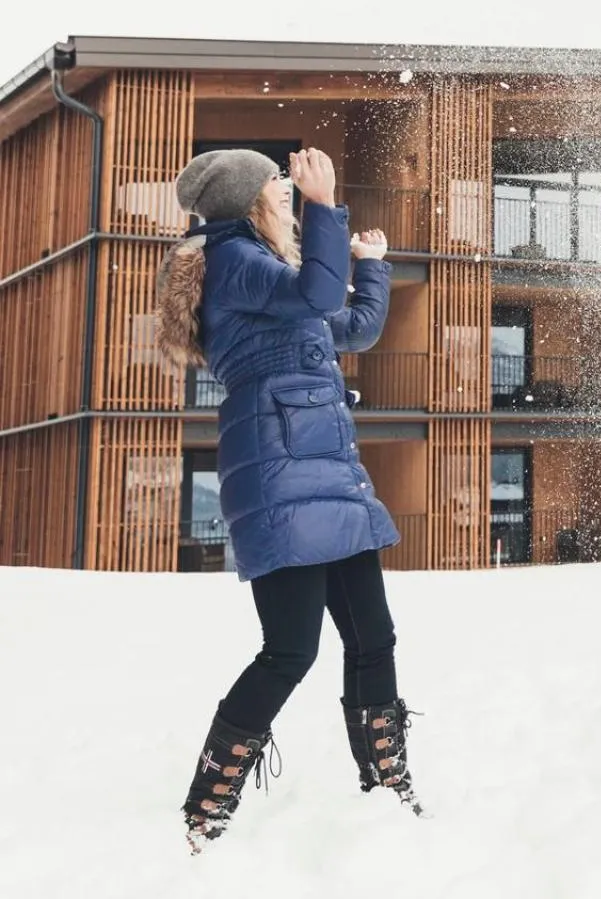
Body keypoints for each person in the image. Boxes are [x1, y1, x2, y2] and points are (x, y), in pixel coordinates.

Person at [155, 147, 423, 852]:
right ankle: (206, 805)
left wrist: (369, 266)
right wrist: (326, 202)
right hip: (281, 471)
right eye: (277, 180)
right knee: (290, 649)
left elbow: (350, 326)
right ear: (251, 200)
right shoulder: (236, 259)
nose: (286, 183)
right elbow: (315, 297)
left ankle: (387, 786)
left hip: (322, 468)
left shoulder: (267, 274)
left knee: (372, 636)